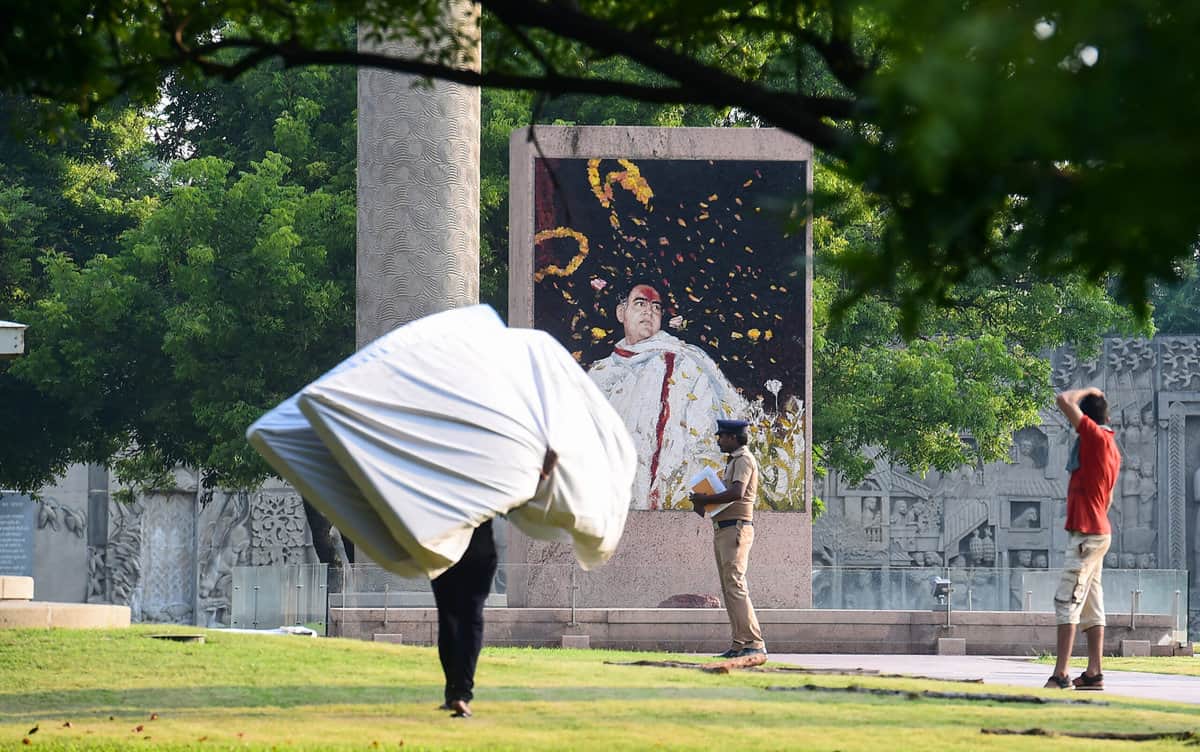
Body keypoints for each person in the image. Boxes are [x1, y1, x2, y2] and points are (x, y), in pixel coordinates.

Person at [589, 283, 747, 509]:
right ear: (621, 313)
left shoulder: (685, 363)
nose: (649, 312)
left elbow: (703, 437)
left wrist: (708, 509)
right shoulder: (599, 373)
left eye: (656, 307)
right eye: (640, 304)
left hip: (667, 496)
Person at [1045, 386, 1121, 690]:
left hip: (1086, 535)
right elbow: (1110, 498)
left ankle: (1061, 674)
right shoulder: (1111, 447)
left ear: (1086, 417)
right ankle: (1093, 673)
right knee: (1091, 602)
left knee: (1067, 600)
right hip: (1098, 531)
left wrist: (1088, 390)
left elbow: (1063, 400)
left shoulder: (1094, 438)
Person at [689, 418, 766, 660]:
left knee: (736, 585)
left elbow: (737, 492)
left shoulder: (744, 458)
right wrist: (702, 500)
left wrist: (703, 500)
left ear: (733, 437)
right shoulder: (733, 460)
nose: (718, 440)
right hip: (724, 527)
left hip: (736, 529)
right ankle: (740, 643)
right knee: (729, 588)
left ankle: (754, 641)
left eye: (721, 436)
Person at [430, 520, 498, 717]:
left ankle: (453, 692)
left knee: (448, 618)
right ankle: (460, 693)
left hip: (445, 546)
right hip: (478, 546)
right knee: (471, 618)